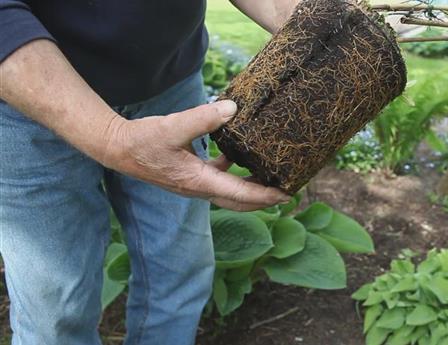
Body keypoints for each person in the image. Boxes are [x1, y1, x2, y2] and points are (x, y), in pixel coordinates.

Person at [0, 0, 298, 343]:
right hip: (28, 101)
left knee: (180, 272)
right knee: (55, 309)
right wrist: (112, 138)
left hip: (169, 86)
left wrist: (306, 17)